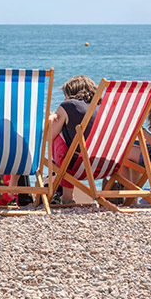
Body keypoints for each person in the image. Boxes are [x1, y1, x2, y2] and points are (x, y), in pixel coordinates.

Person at [47, 75, 98, 204]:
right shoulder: (103, 106)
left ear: (71, 93)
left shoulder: (69, 105)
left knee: (58, 136)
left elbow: (49, 137)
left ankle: (67, 196)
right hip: (103, 164)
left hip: (76, 165)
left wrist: (52, 119)